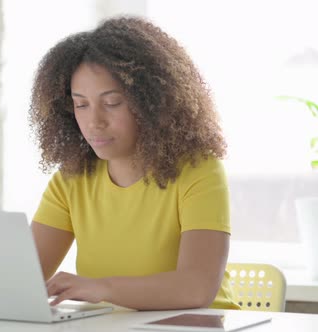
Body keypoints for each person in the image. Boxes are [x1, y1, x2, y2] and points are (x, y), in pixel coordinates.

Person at [28, 15, 239, 310]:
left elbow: (196, 288)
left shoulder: (199, 171)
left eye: (112, 103)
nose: (94, 122)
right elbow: (22, 278)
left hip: (197, 326)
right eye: (81, 104)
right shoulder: (71, 179)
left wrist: (100, 288)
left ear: (152, 102)